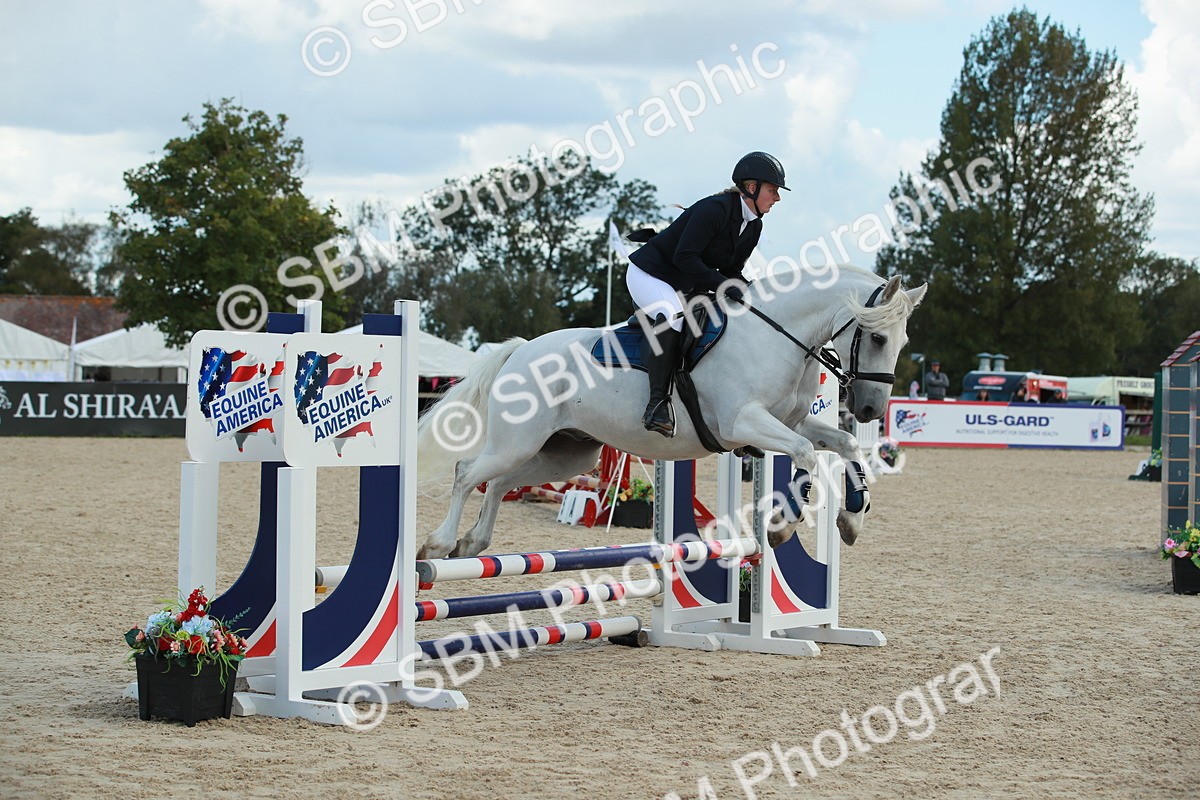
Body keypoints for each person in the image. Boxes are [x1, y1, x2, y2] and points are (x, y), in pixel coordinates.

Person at [625, 151, 787, 436]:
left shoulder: (754, 225)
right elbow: (684, 257)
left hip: (687, 283)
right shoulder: (714, 209)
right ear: (752, 188)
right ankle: (657, 404)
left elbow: (732, 269)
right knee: (672, 316)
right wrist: (725, 285)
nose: (777, 198)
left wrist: (753, 292)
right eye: (773, 190)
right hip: (650, 274)